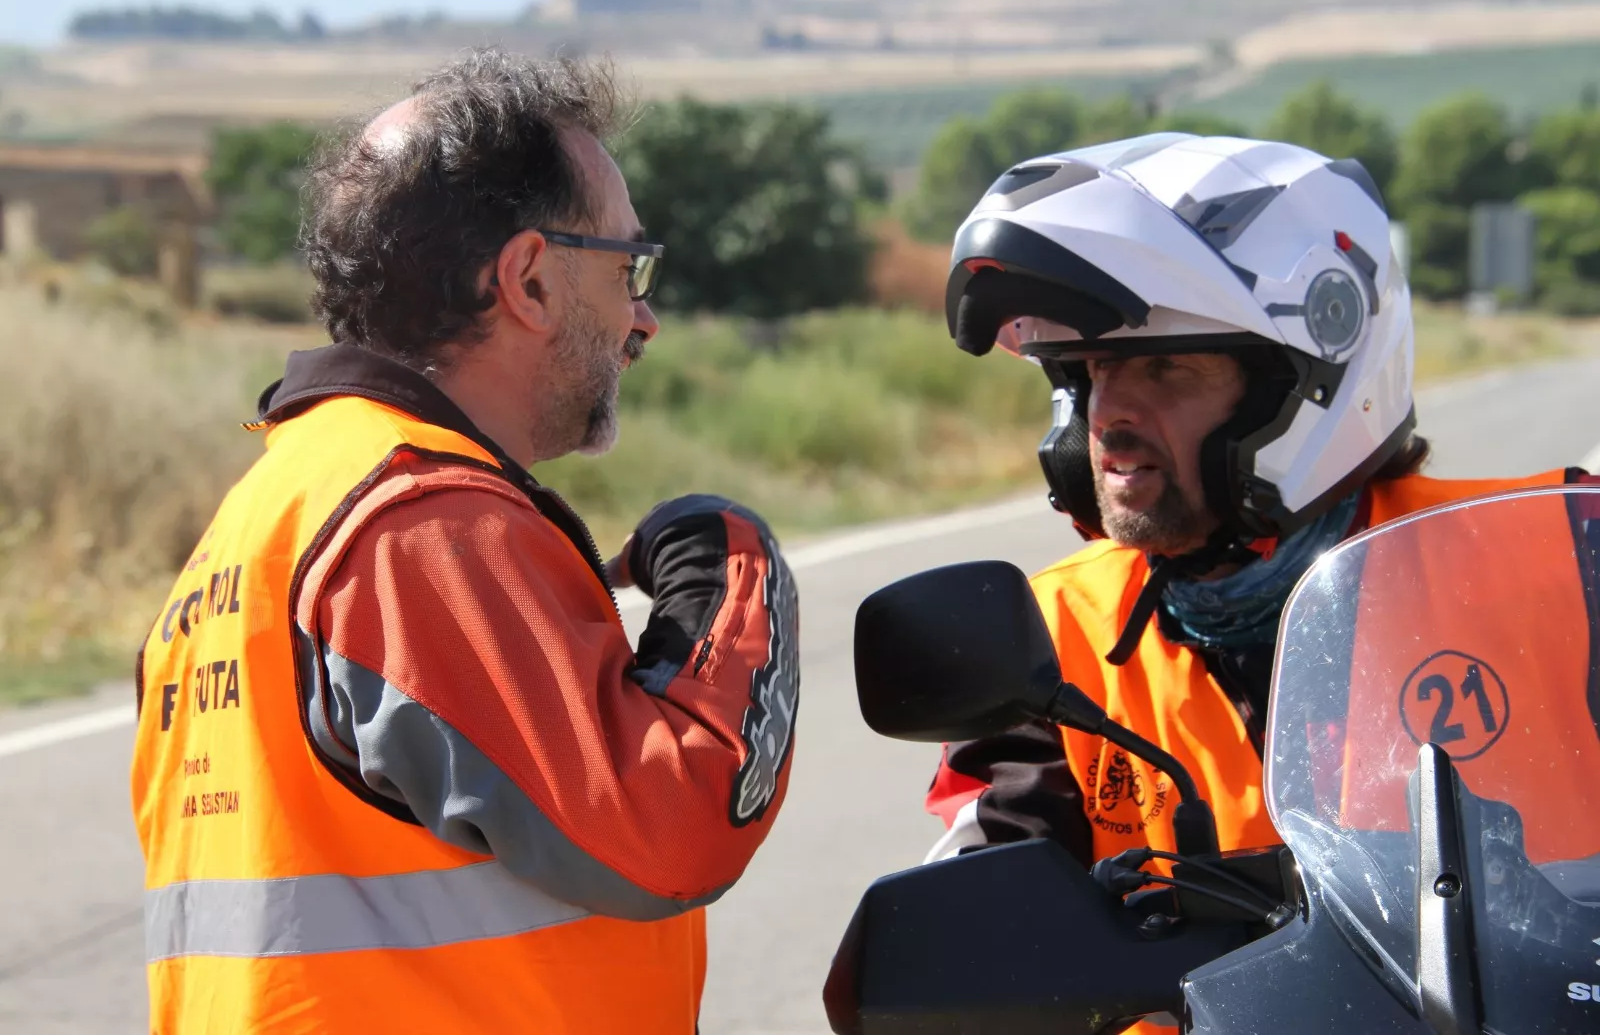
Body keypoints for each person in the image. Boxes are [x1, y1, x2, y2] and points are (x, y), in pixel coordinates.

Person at [129, 50, 799, 1034]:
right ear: (528, 278)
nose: (642, 319)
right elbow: (671, 828)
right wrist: (732, 576)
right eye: (628, 268)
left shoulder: (260, 519)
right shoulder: (421, 523)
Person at [920, 133, 1595, 1031]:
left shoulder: (1562, 555)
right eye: (1086, 374)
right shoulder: (1049, 633)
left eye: (1164, 367)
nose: (1110, 414)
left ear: (1305, 385)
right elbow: (974, 923)